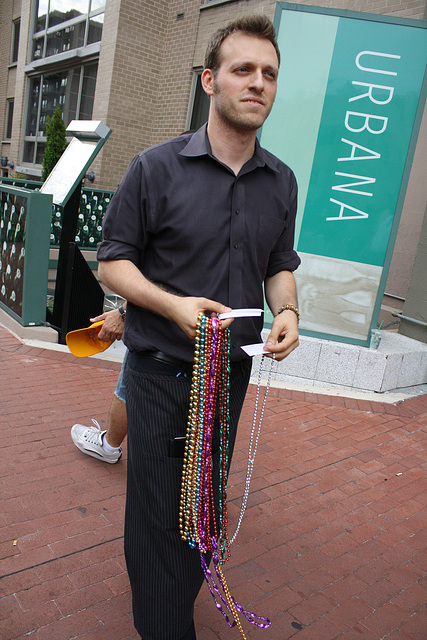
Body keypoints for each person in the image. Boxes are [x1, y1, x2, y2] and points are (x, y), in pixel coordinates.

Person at [97, 15, 300, 640]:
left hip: (230, 377)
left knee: (203, 506)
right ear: (210, 81)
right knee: (157, 512)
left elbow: (280, 266)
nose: (257, 83)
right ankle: (164, 626)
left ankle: (176, 604)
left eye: (268, 73)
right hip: (159, 373)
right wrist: (171, 304)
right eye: (243, 70)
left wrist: (288, 311)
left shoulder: (281, 181)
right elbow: (112, 262)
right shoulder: (155, 169)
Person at [71, 306, 128, 464]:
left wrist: (123, 313)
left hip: (160, 335)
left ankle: (108, 447)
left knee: (127, 390)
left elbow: (160, 283)